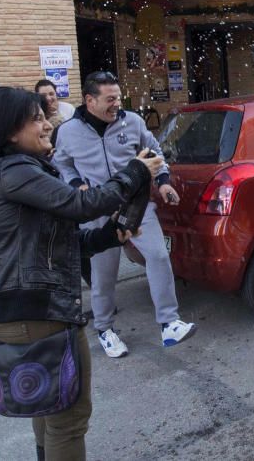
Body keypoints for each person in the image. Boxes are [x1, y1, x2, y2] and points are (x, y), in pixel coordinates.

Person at [0, 86, 160, 460]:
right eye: (37, 118)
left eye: (45, 116)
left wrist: (108, 235)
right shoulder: (15, 171)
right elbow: (82, 203)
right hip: (40, 315)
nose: (47, 125)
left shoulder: (4, 171)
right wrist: (137, 170)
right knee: (68, 420)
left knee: (48, 410)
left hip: (20, 312)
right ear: (10, 130)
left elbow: (56, 244)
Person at [53, 72, 195, 358]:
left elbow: (154, 152)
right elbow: (62, 164)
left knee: (157, 256)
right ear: (90, 100)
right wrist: (74, 184)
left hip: (136, 206)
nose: (116, 103)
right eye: (110, 99)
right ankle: (105, 329)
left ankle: (169, 322)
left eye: (118, 97)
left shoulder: (133, 122)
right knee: (104, 275)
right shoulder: (68, 132)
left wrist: (163, 181)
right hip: (96, 210)